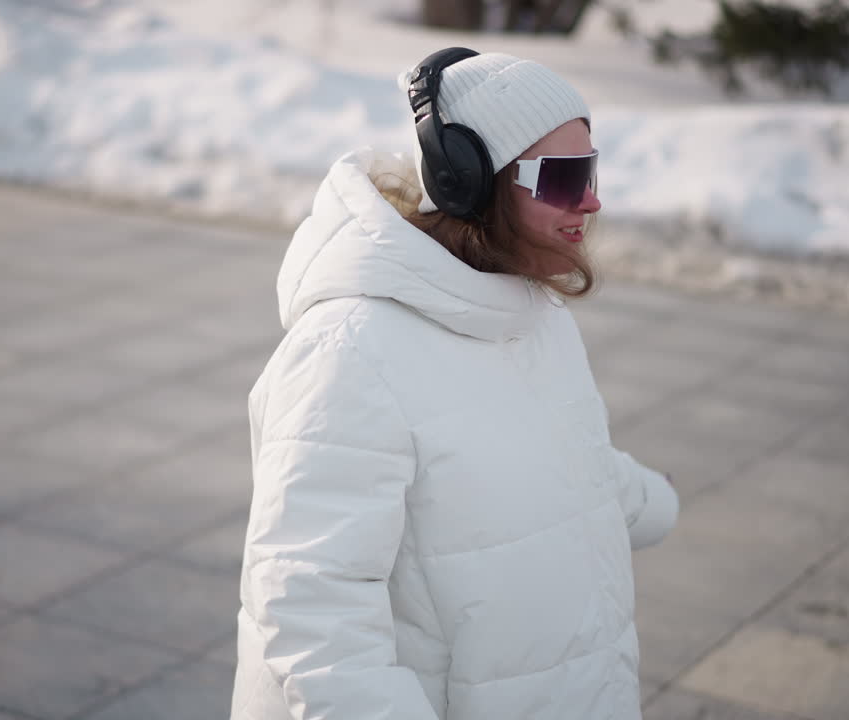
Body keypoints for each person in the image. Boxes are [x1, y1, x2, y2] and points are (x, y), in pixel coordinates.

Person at [229, 47, 680, 720]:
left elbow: (552, 452)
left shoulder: (529, 310)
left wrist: (645, 498)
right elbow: (312, 610)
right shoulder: (351, 351)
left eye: (587, 170)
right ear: (468, 183)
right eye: (560, 178)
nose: (590, 200)